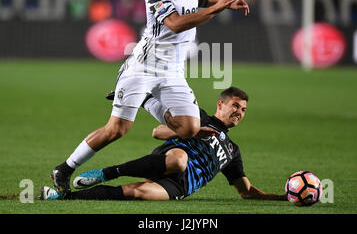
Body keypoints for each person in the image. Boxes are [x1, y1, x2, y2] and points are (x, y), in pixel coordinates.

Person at [50, 0, 250, 198]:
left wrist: (222, 3)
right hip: (144, 67)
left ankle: (147, 100)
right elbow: (175, 23)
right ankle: (64, 169)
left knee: (190, 128)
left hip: (173, 71)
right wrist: (217, 9)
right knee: (117, 130)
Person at [41, 87, 286, 202]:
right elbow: (158, 131)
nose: (239, 112)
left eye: (243, 109)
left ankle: (64, 198)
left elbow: (246, 191)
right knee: (180, 159)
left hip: (181, 186)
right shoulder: (197, 118)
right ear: (220, 104)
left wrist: (284, 198)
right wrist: (194, 131)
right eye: (235, 106)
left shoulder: (233, 151)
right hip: (170, 158)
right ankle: (106, 173)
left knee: (138, 192)